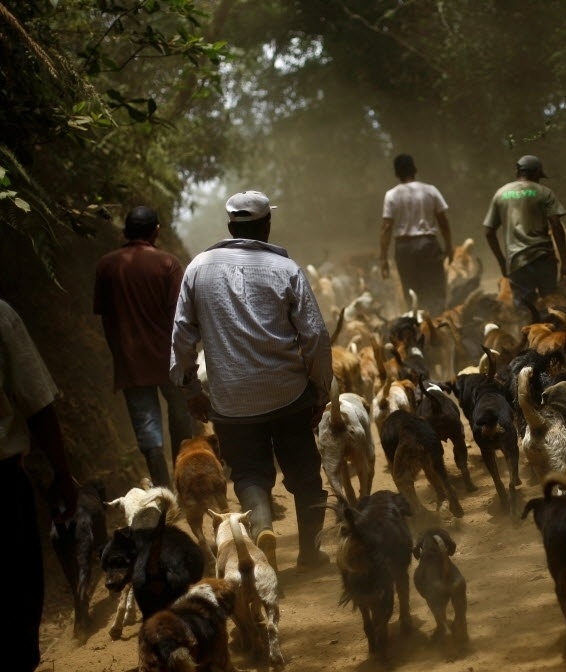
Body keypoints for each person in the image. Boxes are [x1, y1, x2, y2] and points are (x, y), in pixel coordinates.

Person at [170, 190, 332, 571]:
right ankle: (311, 552)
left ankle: (260, 526)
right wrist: (320, 388)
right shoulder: (285, 269)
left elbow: (181, 335)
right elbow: (315, 336)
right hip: (288, 393)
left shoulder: (197, 269)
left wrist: (190, 388)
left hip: (230, 401)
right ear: (266, 226)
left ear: (230, 227)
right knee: (304, 473)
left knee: (247, 473)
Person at [0, 299, 78, 672]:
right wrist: (62, 475)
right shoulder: (1, 315)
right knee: (17, 596)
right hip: (2, 483)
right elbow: (38, 402)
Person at [94, 206, 192, 487]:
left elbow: (105, 317)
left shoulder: (106, 266)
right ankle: (184, 482)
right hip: (169, 358)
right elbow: (179, 316)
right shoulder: (167, 264)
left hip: (131, 360)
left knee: (146, 425)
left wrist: (118, 353)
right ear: (156, 231)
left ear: (125, 232)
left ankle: (164, 491)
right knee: (181, 417)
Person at [483, 155, 566, 307]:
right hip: (544, 259)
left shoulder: (500, 194)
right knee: (551, 304)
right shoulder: (544, 192)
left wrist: (502, 262)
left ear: (518, 172)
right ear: (537, 173)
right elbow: (556, 225)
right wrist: (565, 262)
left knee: (525, 310)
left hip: (517, 262)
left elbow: (489, 232)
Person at [380, 153, 453, 315]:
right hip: (428, 245)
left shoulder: (391, 195)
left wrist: (383, 258)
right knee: (434, 288)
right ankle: (437, 324)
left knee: (412, 292)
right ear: (415, 170)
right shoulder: (430, 191)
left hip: (404, 248)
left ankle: (418, 328)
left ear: (396, 173)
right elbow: (443, 222)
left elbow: (386, 227)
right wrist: (449, 246)